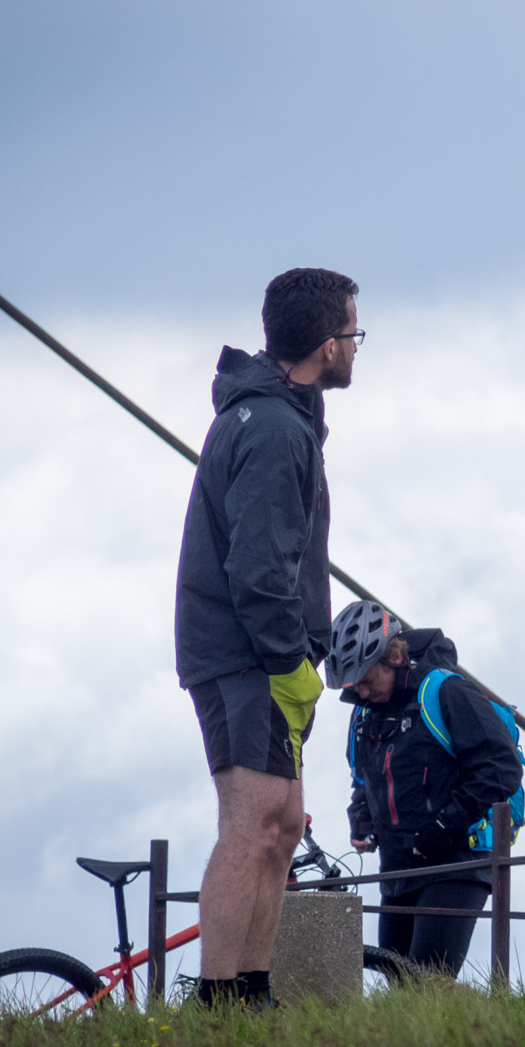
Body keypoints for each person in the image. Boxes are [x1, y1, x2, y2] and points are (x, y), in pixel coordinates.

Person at [173, 267, 362, 1009]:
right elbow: (258, 568)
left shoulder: (281, 416)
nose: (355, 348)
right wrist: (289, 664)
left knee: (282, 826)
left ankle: (255, 989)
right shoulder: (275, 428)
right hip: (248, 655)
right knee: (251, 824)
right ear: (326, 343)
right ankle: (219, 1001)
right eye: (353, 334)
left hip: (266, 653)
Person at [327, 601, 525, 979]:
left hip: (455, 863)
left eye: (368, 679)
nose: (364, 693)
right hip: (397, 871)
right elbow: (364, 779)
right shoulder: (367, 711)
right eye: (356, 686)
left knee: (426, 982)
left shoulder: (447, 693)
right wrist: (363, 820)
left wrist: (444, 826)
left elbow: (500, 768)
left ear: (396, 657)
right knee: (401, 990)